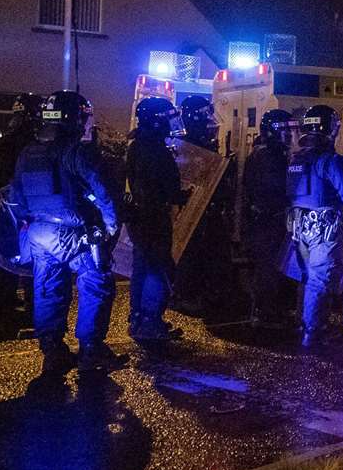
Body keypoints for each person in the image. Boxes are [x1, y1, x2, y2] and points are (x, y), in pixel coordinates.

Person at [11, 91, 122, 376]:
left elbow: (16, 197)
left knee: (48, 288)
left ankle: (52, 352)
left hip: (39, 232)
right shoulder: (76, 152)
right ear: (74, 119)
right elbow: (102, 190)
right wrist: (110, 225)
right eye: (83, 118)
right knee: (95, 285)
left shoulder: (28, 152)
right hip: (76, 234)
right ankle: (90, 350)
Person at [124, 96, 189, 342]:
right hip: (152, 216)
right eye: (168, 119)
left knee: (142, 267)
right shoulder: (153, 149)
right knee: (157, 270)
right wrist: (181, 195)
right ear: (156, 122)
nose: (171, 124)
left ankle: (139, 318)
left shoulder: (139, 145)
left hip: (140, 217)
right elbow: (161, 186)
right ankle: (150, 322)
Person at [285, 104, 343, 346]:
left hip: (299, 227)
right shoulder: (328, 160)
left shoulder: (296, 158)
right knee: (319, 280)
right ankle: (313, 332)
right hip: (324, 228)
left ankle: (305, 323)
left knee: (307, 277)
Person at [174, 94, 234, 316]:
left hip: (205, 210)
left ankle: (201, 294)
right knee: (193, 255)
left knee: (207, 255)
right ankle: (187, 295)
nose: (210, 119)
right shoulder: (190, 146)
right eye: (205, 114)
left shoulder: (197, 143)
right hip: (196, 211)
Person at [0, 93, 43, 331]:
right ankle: (34, 309)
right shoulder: (32, 141)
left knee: (8, 256)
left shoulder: (8, 137)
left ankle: (4, 303)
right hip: (27, 208)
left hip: (6, 203)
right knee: (33, 259)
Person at [243, 108, 294, 328]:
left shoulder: (266, 154)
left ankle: (267, 311)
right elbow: (278, 189)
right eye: (286, 131)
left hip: (264, 220)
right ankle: (266, 314)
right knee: (268, 269)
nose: (290, 136)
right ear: (274, 132)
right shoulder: (267, 157)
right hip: (267, 221)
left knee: (269, 268)